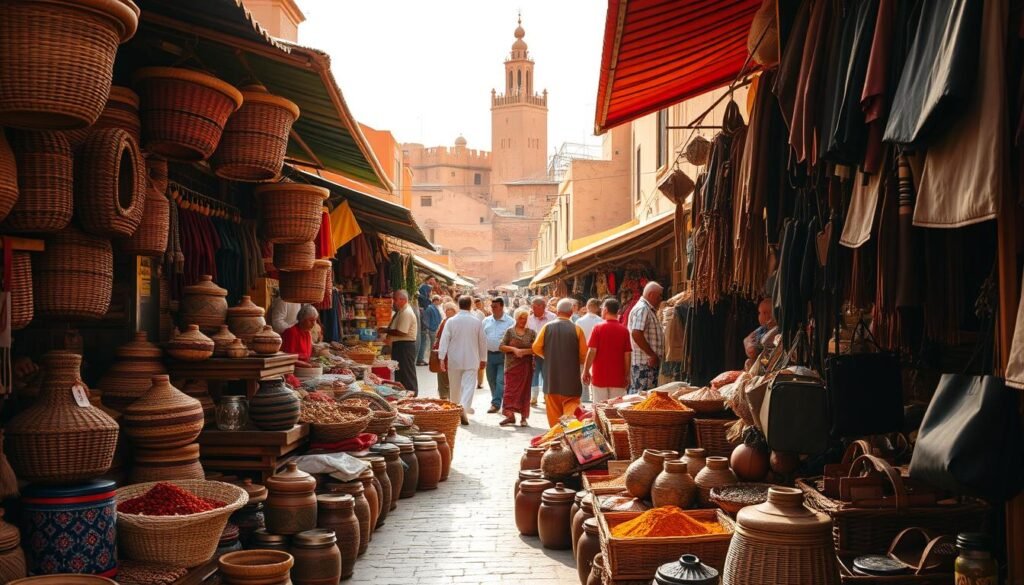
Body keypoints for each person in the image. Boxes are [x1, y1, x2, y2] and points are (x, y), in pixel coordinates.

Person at [532, 298, 588, 427]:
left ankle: (556, 441)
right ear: (571, 313)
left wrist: (548, 356)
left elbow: (536, 347)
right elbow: (584, 354)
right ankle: (569, 439)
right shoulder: (576, 329)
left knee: (554, 420)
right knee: (570, 418)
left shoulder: (547, 327)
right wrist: (574, 360)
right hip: (571, 383)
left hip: (552, 381)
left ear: (557, 312)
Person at [438, 295, 487, 421]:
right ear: (471, 305)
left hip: (454, 359)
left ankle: (456, 411)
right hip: (472, 358)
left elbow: (444, 341)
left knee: (455, 387)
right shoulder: (476, 321)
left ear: (458, 305)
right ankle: (464, 408)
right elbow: (482, 341)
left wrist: (441, 358)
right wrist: (483, 358)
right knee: (469, 386)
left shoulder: (451, 321)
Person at [582, 298, 633, 403]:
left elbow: (592, 351)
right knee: (616, 410)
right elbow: (627, 355)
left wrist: (586, 370)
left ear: (605, 310)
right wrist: (627, 374)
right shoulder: (624, 330)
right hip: (618, 377)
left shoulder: (597, 328)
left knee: (600, 409)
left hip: (599, 376)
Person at [498, 307, 536, 426]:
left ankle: (523, 418)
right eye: (521, 318)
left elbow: (537, 349)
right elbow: (501, 346)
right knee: (509, 390)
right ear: (516, 318)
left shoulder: (531, 332)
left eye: (525, 318)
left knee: (524, 391)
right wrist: (513, 349)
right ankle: (510, 415)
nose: (523, 321)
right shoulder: (510, 331)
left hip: (526, 367)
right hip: (511, 366)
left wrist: (524, 352)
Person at [378, 290, 419, 395]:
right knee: (401, 372)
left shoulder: (406, 313)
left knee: (406, 372)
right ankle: (404, 393)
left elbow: (401, 332)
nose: (394, 302)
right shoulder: (401, 311)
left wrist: (385, 330)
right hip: (400, 345)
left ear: (403, 300)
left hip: (405, 346)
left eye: (395, 299)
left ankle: (411, 393)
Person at [628, 281, 665, 394]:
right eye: (659, 296)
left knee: (644, 399)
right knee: (641, 399)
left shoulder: (646, 309)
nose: (660, 299)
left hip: (646, 364)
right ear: (651, 295)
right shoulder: (643, 309)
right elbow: (636, 333)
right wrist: (651, 354)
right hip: (644, 364)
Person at [482, 297, 515, 414]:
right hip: (489, 355)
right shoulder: (486, 321)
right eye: (492, 306)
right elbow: (481, 337)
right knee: (491, 380)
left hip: (504, 356)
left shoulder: (510, 322)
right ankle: (497, 399)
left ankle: (495, 403)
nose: (493, 309)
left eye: (495, 306)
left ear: (501, 306)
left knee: (500, 380)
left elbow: (514, 338)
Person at [526, 296, 557, 406]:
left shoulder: (552, 317)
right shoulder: (529, 319)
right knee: (534, 373)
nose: (533, 309)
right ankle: (534, 397)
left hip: (548, 351)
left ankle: (546, 395)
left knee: (546, 374)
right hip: (533, 351)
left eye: (536, 307)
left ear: (543, 307)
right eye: (532, 307)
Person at [432, 301, 458, 402]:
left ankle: (448, 398)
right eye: (446, 310)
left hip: (449, 354)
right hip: (443, 353)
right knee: (443, 376)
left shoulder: (450, 322)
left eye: (449, 309)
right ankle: (444, 397)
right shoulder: (445, 321)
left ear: (454, 310)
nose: (447, 312)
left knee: (448, 377)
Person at [743, 297, 778, 363]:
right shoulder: (761, 329)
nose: (759, 316)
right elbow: (749, 344)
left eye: (760, 313)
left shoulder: (776, 331)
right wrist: (748, 342)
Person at [418, 295, 443, 366]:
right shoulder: (430, 308)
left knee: (431, 345)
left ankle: (430, 359)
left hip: (433, 328)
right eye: (439, 301)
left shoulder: (432, 308)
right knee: (431, 346)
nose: (440, 302)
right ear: (435, 301)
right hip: (432, 329)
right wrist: (429, 328)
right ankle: (431, 359)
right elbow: (426, 320)